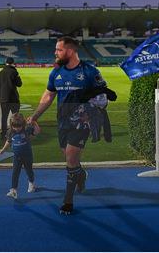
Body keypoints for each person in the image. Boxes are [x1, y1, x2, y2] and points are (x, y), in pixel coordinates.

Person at [28, 36, 112, 215]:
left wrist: (95, 107)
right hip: (63, 121)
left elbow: (104, 97)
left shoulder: (90, 71)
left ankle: (68, 201)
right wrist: (35, 116)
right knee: (68, 157)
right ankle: (80, 174)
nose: (55, 53)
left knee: (71, 158)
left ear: (70, 51)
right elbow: (48, 96)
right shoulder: (56, 73)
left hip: (82, 121)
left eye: (59, 49)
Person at [0, 113, 40, 199]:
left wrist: (35, 123)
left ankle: (31, 183)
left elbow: (37, 132)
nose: (17, 129)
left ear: (23, 124)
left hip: (27, 155)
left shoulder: (27, 129)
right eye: (15, 127)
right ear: (11, 125)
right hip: (17, 157)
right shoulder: (10, 132)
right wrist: (3, 149)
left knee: (29, 170)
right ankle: (13, 190)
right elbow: (8, 141)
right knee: (15, 173)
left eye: (19, 126)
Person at [0, 57, 22, 140]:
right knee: (16, 118)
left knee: (4, 117)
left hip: (3, 99)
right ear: (13, 63)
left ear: (5, 62)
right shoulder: (14, 71)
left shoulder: (1, 72)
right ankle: (16, 134)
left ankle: (4, 135)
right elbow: (19, 84)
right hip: (13, 98)